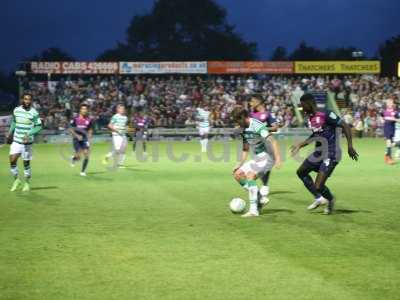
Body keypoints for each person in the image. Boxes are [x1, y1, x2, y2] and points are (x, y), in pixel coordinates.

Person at [291, 94, 358, 214]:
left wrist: (350, 146)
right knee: (301, 172)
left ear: (309, 103)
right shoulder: (310, 117)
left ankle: (330, 199)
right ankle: (319, 198)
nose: (302, 108)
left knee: (318, 186)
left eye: (303, 105)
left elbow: (345, 126)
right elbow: (316, 135)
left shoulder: (325, 113)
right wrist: (301, 144)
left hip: (331, 153)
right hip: (318, 153)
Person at [232, 108, 282, 218]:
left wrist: (278, 158)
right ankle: (260, 198)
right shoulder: (243, 129)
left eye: (237, 120)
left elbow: (273, 141)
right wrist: (239, 164)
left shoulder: (256, 125)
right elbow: (245, 149)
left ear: (243, 117)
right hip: (257, 158)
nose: (236, 124)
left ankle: (254, 210)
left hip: (267, 157)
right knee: (237, 174)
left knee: (250, 175)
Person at [7, 92, 42, 192]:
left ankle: (27, 183)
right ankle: (17, 180)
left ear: (31, 101)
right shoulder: (16, 110)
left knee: (26, 163)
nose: (27, 101)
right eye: (25, 99)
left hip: (27, 142)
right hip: (17, 140)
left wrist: (29, 134)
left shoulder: (34, 112)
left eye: (29, 99)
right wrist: (10, 133)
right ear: (22, 99)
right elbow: (14, 121)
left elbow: (39, 126)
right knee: (12, 159)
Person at [249, 96, 278, 205]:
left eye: (252, 100)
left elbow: (275, 127)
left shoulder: (268, 114)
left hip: (267, 142)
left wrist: (262, 129)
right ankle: (262, 186)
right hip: (255, 144)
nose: (250, 103)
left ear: (258, 102)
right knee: (259, 164)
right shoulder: (251, 114)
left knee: (266, 164)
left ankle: (264, 186)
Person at [69, 103, 93, 176]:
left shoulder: (89, 119)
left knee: (86, 154)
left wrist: (89, 138)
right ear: (80, 110)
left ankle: (82, 171)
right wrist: (77, 135)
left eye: (85, 109)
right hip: (76, 139)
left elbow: (90, 130)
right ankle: (74, 158)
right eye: (83, 109)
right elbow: (70, 129)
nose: (84, 110)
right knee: (78, 155)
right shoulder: (75, 119)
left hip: (85, 139)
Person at [383, 99, 398, 165]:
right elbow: (382, 118)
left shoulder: (395, 112)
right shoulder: (384, 112)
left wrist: (393, 119)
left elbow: (399, 119)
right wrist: (383, 119)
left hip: (393, 129)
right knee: (389, 142)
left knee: (391, 144)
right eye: (388, 103)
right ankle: (389, 158)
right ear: (386, 104)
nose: (390, 104)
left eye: (391, 103)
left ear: (393, 104)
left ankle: (387, 155)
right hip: (387, 128)